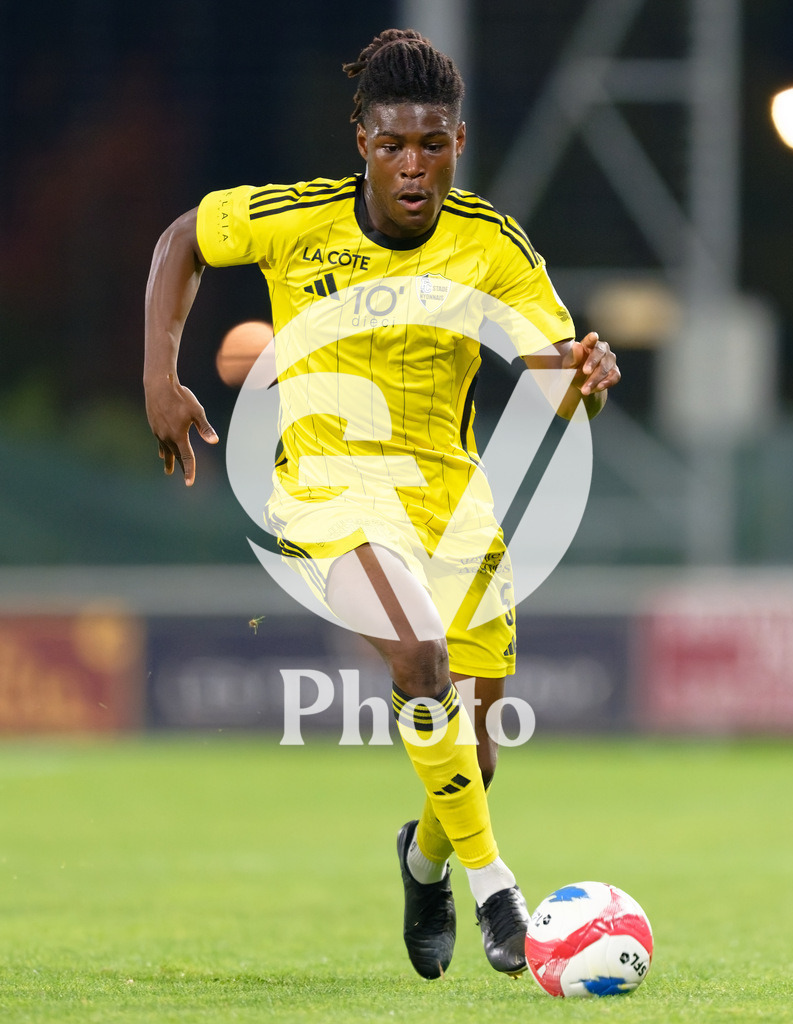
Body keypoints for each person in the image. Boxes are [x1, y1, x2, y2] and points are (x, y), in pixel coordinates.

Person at [144, 28, 620, 980]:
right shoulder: (296, 220)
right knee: (416, 652)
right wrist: (160, 374)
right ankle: (495, 890)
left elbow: (556, 376)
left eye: (432, 144)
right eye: (394, 144)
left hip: (450, 499)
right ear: (361, 140)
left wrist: (585, 377)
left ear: (458, 143)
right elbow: (181, 239)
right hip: (326, 488)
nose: (413, 165)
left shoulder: (490, 244)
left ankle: (424, 861)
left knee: (474, 763)